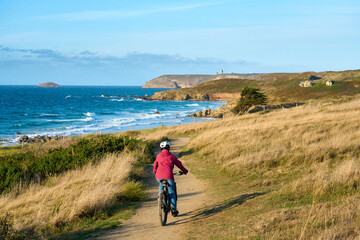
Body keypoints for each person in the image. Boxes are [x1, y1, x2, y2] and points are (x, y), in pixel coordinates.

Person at [153, 141, 188, 217]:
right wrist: (185, 171)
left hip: (159, 176)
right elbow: (179, 164)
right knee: (172, 193)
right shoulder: (171, 156)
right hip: (169, 176)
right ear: (168, 148)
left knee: (161, 183)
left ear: (161, 148)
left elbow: (155, 164)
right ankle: (174, 210)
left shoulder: (158, 156)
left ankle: (160, 197)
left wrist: (155, 171)